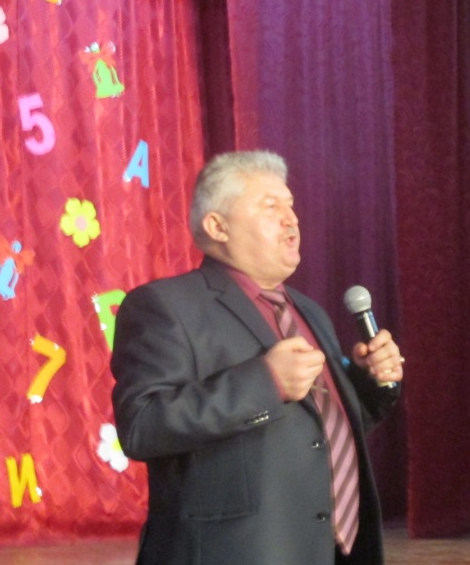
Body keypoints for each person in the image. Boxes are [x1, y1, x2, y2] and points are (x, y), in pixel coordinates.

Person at [111, 150, 403, 565]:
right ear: (218, 226)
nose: (291, 219)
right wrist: (266, 383)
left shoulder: (308, 311)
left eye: (291, 205)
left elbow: (317, 431)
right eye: (270, 207)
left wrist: (369, 385)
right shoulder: (165, 306)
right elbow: (142, 426)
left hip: (330, 551)